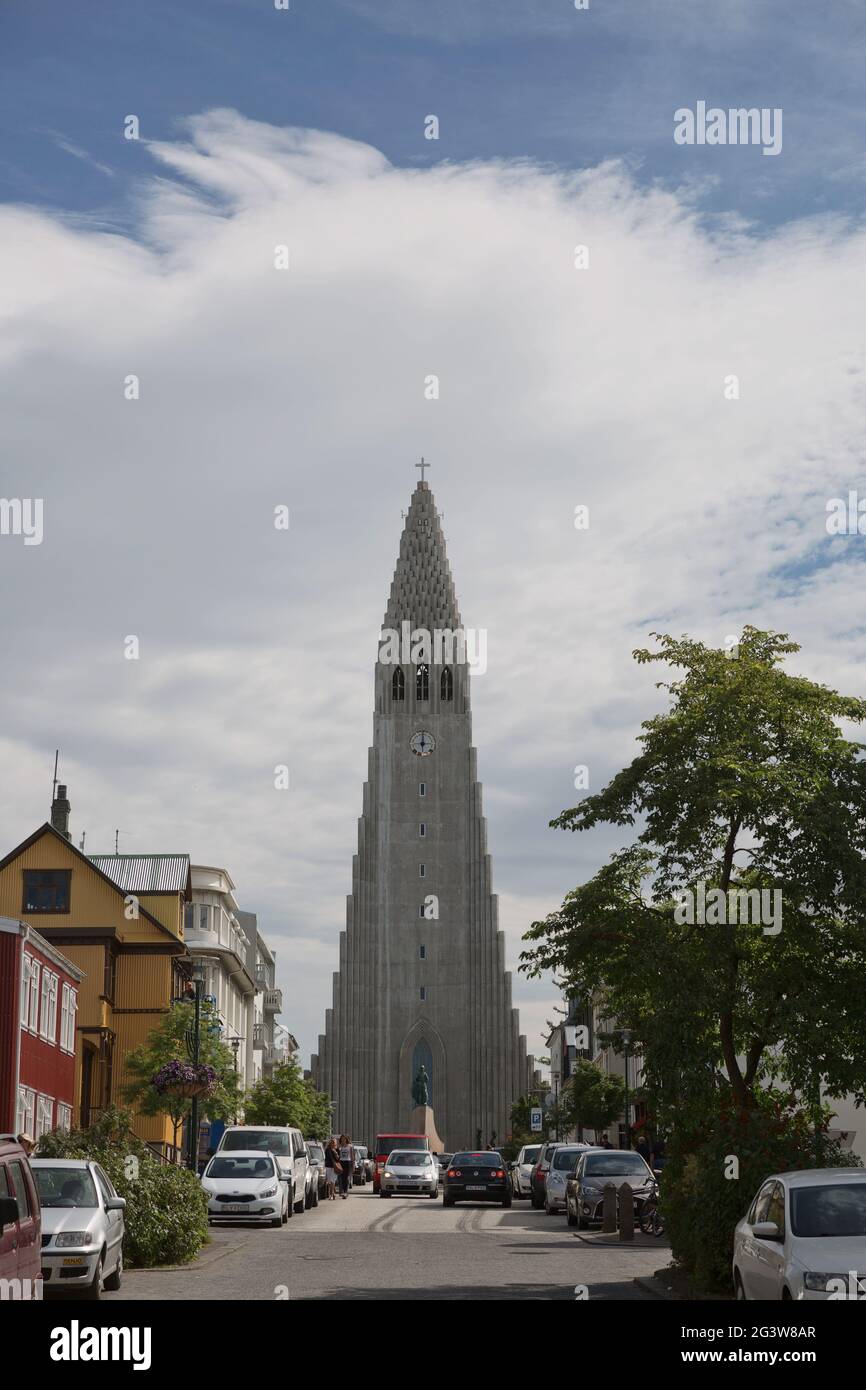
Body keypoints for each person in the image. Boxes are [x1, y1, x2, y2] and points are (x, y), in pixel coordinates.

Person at [337, 1134, 353, 1199]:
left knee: (346, 1177)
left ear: (346, 1139)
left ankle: (345, 1192)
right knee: (341, 1177)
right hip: (341, 1162)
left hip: (347, 1162)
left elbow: (352, 1156)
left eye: (344, 1139)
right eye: (342, 1139)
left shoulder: (350, 1146)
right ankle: (342, 1191)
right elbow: (337, 1155)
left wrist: (353, 1164)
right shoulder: (339, 1146)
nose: (343, 1140)